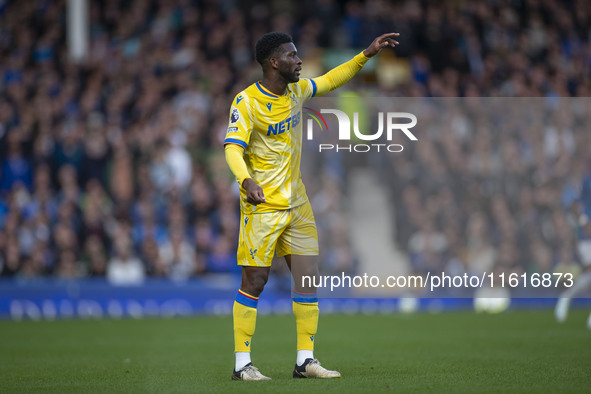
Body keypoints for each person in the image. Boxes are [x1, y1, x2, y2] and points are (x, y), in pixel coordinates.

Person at [224, 31, 400, 381]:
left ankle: (305, 360)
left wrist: (366, 54)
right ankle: (242, 364)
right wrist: (246, 180)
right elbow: (232, 148)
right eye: (292, 56)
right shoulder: (246, 103)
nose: (299, 60)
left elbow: (332, 79)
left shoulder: (297, 91)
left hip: (298, 204)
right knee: (254, 281)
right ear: (274, 62)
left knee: (307, 280)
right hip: (262, 206)